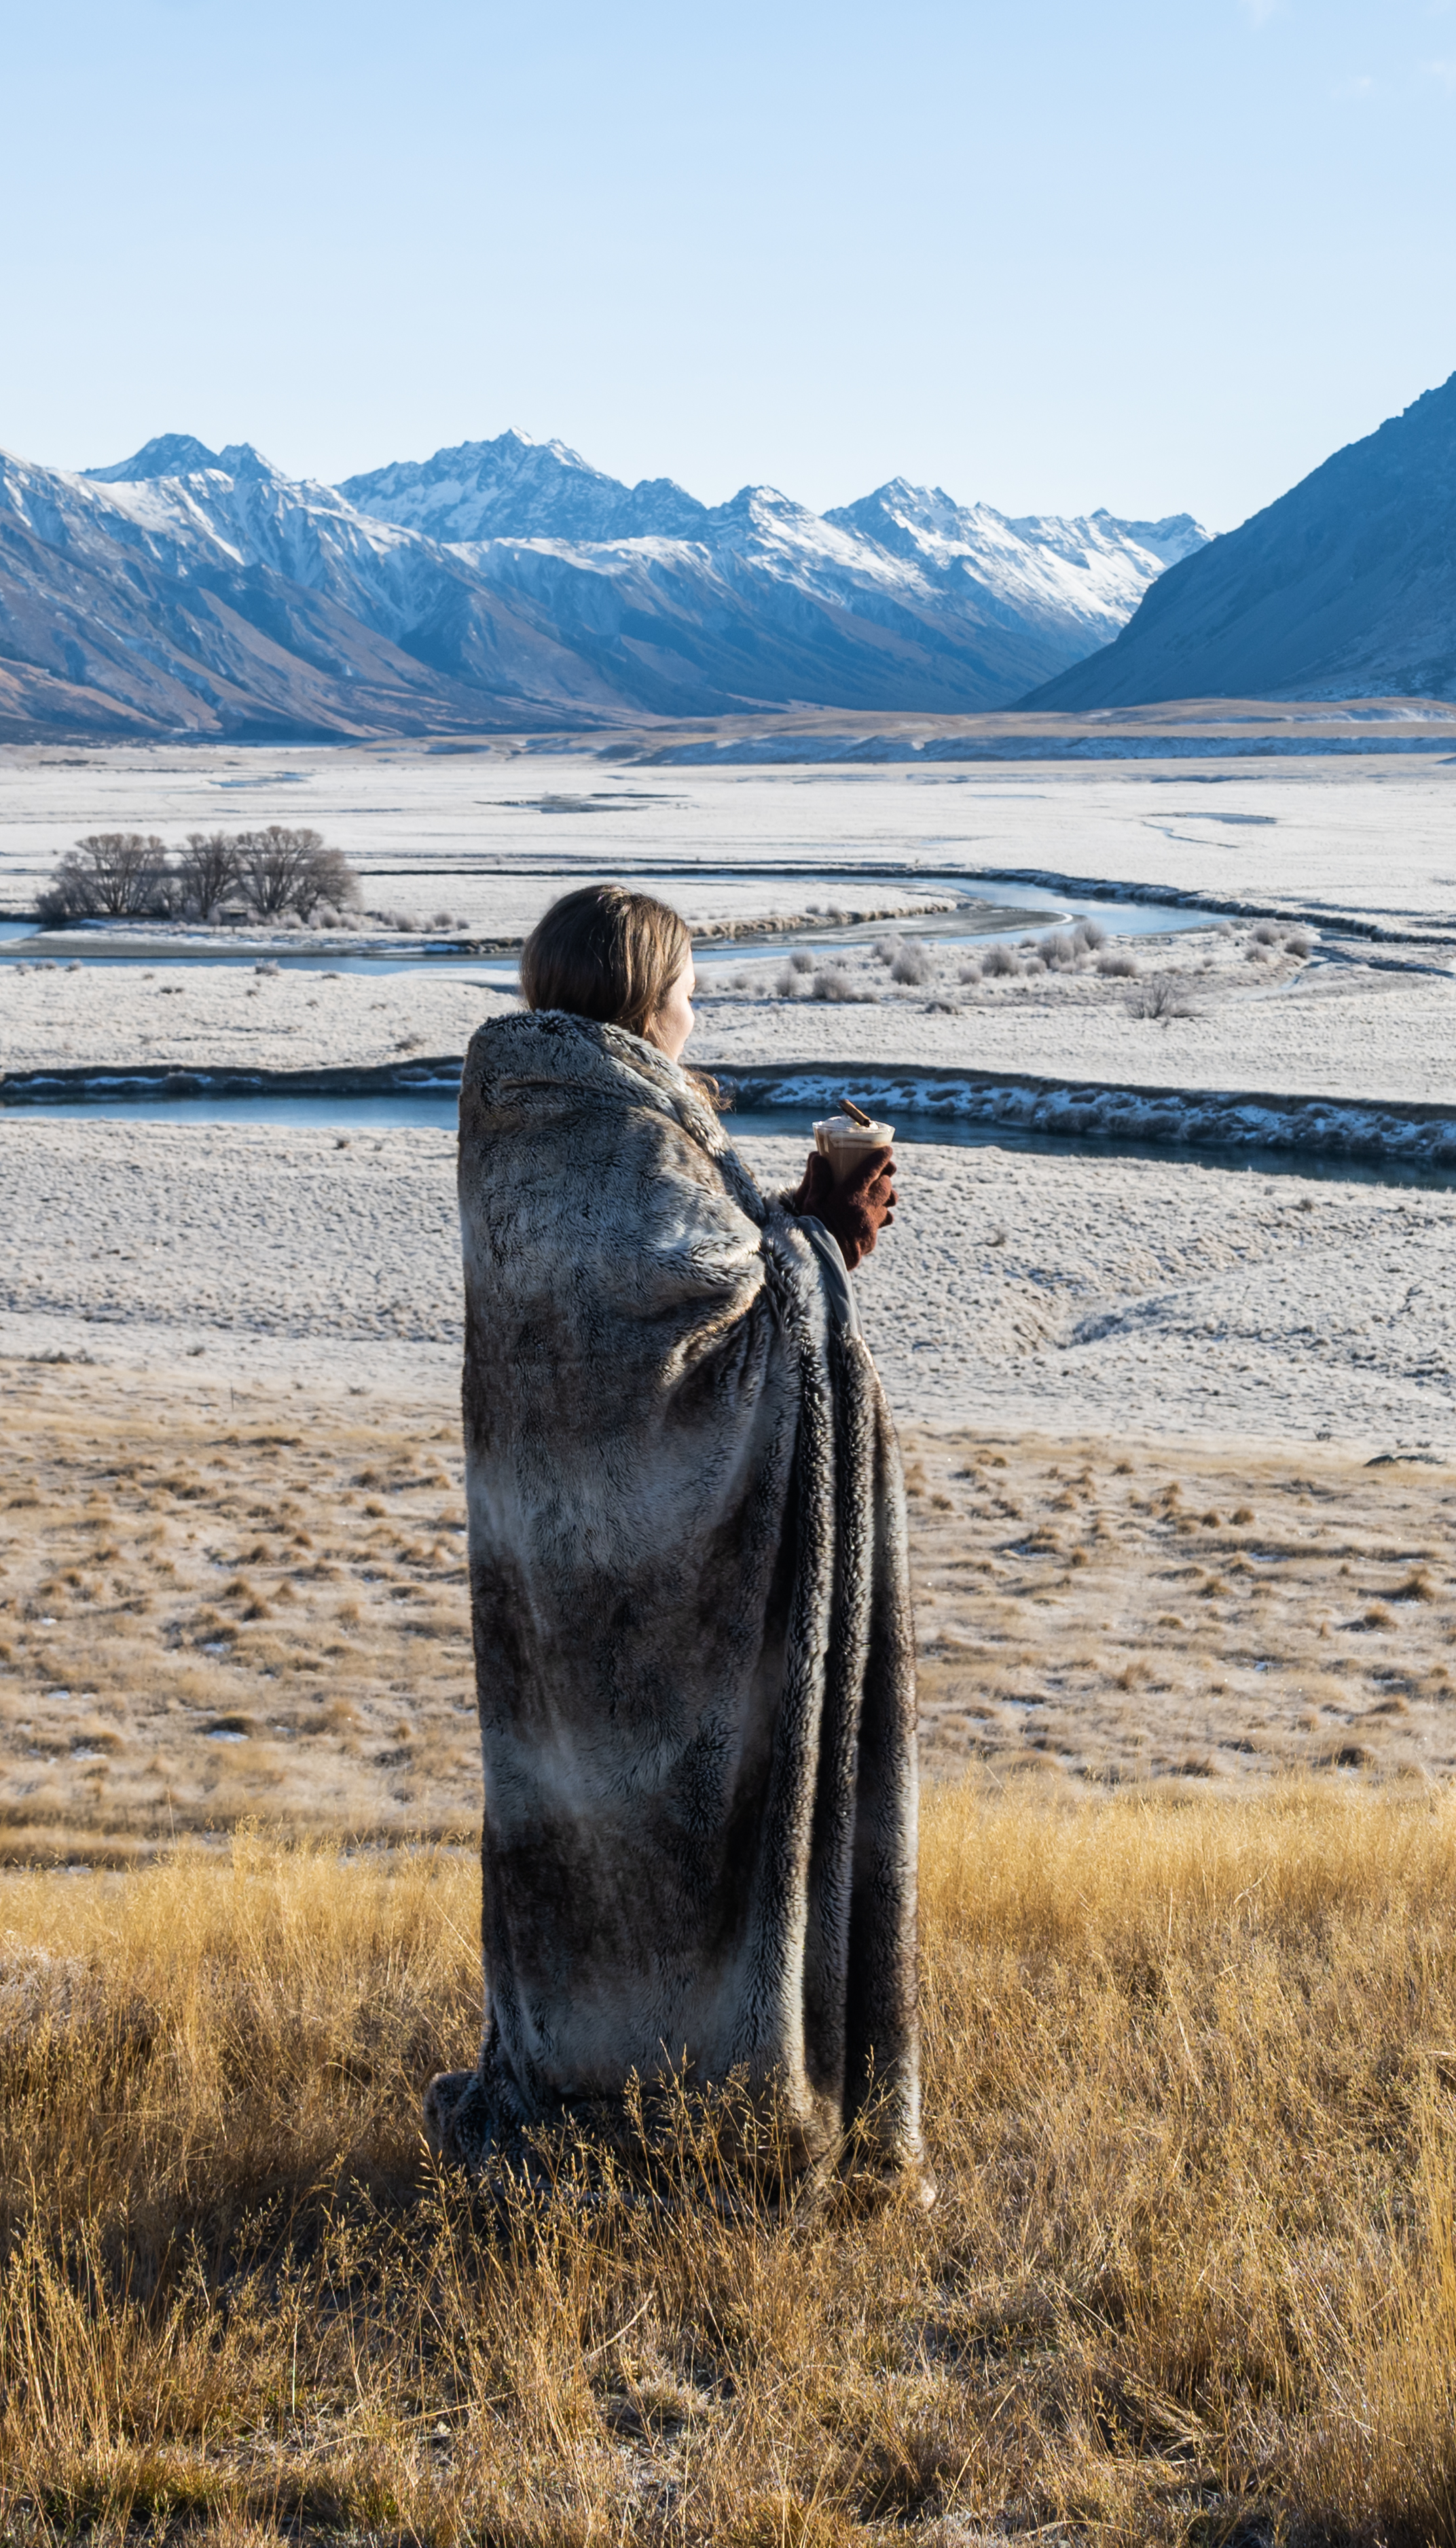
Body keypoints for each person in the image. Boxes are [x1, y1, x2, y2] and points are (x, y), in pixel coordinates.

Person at [429, 880, 917, 2191]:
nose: (697, 1014)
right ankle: (687, 2122)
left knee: (579, 1836)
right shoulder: (628, 1139)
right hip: (658, 1590)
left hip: (548, 1569)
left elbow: (677, 1306)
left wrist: (795, 1235)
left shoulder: (519, 1117)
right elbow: (706, 1336)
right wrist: (822, 1235)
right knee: (681, 1842)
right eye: (689, 990)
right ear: (646, 1002)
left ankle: (586, 2086)